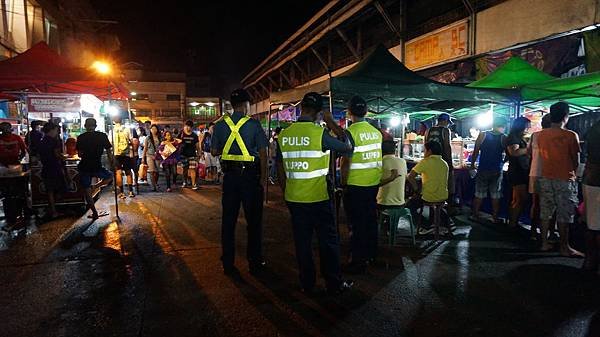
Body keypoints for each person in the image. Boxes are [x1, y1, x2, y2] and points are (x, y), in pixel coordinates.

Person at [277, 92, 354, 295]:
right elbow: (347, 146)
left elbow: (280, 167)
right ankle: (333, 284)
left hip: (294, 198)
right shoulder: (320, 134)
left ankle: (307, 284)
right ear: (319, 113)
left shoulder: (284, 134)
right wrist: (331, 122)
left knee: (302, 244)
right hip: (318, 198)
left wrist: (286, 192)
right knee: (328, 243)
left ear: (302, 108)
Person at [211, 88, 268, 276]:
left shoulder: (219, 125)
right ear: (246, 105)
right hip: (250, 178)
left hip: (230, 178)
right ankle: (255, 263)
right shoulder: (254, 124)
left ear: (231, 105)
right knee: (253, 222)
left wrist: (230, 148)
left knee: (228, 221)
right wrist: (264, 180)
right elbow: (263, 153)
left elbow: (213, 151)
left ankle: (228, 262)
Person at [341, 96, 383, 274]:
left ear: (349, 112)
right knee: (370, 219)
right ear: (366, 112)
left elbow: (346, 162)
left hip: (355, 184)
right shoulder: (376, 132)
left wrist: (343, 183)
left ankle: (357, 260)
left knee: (356, 224)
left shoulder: (350, 132)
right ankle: (372, 254)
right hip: (373, 183)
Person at [537, 102, 582, 256]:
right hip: (564, 178)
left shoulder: (540, 135)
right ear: (566, 116)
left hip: (545, 176)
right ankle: (565, 247)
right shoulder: (570, 135)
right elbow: (576, 160)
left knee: (546, 211)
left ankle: (544, 243)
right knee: (565, 213)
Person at [470, 117, 507, 224]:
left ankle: (475, 214)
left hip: (483, 168)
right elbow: (508, 153)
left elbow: (476, 151)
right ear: (503, 126)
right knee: (496, 194)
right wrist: (503, 162)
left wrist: (472, 165)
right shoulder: (503, 137)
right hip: (497, 169)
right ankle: (495, 217)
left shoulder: (483, 134)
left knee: (479, 193)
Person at [406, 141, 450, 233]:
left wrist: (416, 189)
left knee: (410, 205)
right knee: (436, 205)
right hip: (443, 195)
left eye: (425, 150)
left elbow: (410, 176)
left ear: (429, 151)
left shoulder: (425, 162)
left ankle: (424, 225)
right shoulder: (444, 163)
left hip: (429, 196)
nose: (424, 152)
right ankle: (441, 222)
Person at [76, 118, 114, 220]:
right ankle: (96, 186)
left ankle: (95, 213)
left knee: (87, 192)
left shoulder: (80, 137)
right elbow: (109, 151)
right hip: (97, 165)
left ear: (85, 126)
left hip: (84, 166)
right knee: (110, 176)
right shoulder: (102, 136)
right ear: (96, 125)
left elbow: (79, 154)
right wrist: (112, 163)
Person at [528, 114, 552, 239]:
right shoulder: (557, 135)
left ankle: (533, 230)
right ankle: (549, 232)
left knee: (536, 203)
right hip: (549, 173)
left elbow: (529, 153)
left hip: (535, 171)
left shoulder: (535, 135)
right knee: (551, 204)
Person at [0, 122, 29, 227]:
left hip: (16, 167)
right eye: (3, 128)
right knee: (7, 194)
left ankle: (22, 214)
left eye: (7, 128)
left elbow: (24, 150)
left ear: (10, 128)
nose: (5, 130)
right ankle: (10, 216)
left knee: (19, 192)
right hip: (2, 168)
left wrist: (20, 158)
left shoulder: (16, 138)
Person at [505, 116, 531, 228]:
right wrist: (530, 149)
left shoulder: (519, 138)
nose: (528, 129)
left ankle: (513, 222)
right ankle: (513, 223)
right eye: (527, 127)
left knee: (518, 199)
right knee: (519, 199)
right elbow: (514, 152)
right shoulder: (513, 137)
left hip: (521, 171)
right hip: (517, 172)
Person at [38, 122, 68, 219]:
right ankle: (57, 210)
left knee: (50, 191)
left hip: (46, 168)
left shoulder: (41, 141)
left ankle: (53, 211)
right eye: (56, 130)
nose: (57, 132)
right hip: (55, 168)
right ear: (51, 130)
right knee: (60, 188)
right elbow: (57, 154)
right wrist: (63, 157)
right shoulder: (54, 141)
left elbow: (39, 156)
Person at [582, 119, 600, 272]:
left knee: (593, 224)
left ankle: (590, 260)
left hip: (592, 179)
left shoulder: (594, 128)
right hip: (595, 178)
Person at [377, 140, 407, 209]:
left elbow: (375, 184)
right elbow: (406, 177)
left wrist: (391, 178)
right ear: (395, 150)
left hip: (383, 203)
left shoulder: (380, 163)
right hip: (400, 203)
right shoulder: (403, 161)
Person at [111, 116, 135, 198]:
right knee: (128, 172)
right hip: (126, 154)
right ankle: (131, 191)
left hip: (117, 154)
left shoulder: (112, 131)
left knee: (118, 172)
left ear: (113, 121)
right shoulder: (127, 129)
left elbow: (110, 143)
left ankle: (121, 193)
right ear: (122, 120)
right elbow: (131, 141)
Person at [179, 120, 200, 190]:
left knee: (193, 169)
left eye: (190, 127)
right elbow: (177, 143)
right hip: (183, 155)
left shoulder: (194, 135)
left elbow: (197, 146)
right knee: (185, 170)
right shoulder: (181, 134)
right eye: (186, 126)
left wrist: (199, 154)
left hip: (192, 155)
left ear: (192, 127)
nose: (188, 128)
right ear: (184, 126)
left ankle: (194, 184)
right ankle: (185, 182)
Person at [143, 125, 161, 191]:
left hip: (158, 156)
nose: (154, 130)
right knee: (151, 171)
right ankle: (153, 186)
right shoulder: (148, 138)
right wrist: (143, 158)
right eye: (152, 129)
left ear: (157, 130)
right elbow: (145, 148)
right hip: (149, 155)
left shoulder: (159, 137)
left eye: (155, 129)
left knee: (157, 171)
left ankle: (155, 183)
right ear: (150, 130)